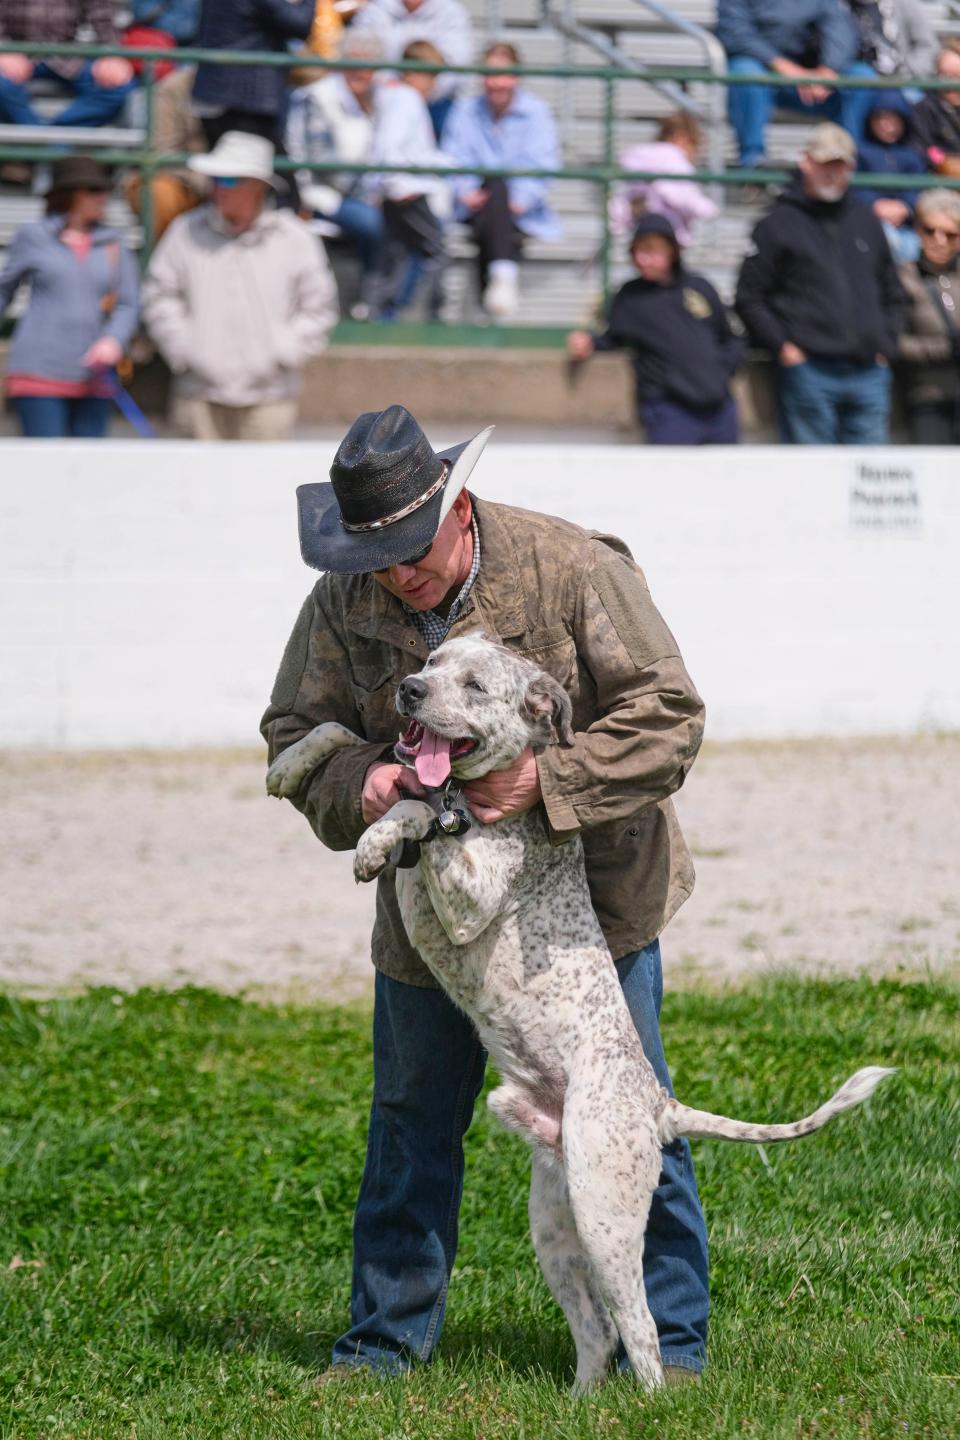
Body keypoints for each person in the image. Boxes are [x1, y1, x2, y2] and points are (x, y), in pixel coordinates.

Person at [261, 402, 710, 1383]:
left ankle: (670, 1351)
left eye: (409, 552)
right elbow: (294, 730)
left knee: (633, 1125)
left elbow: (668, 717)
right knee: (411, 1127)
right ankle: (383, 1348)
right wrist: (359, 784)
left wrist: (544, 784)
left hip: (592, 912)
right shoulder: (345, 597)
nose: (392, 576)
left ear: (458, 506)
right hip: (437, 926)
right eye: (372, 557)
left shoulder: (574, 567)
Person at [141, 131, 338, 442]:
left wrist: (284, 351)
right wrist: (186, 349)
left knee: (264, 490)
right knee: (193, 489)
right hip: (198, 396)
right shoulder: (185, 231)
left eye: (230, 180)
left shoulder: (295, 238)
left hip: (270, 398)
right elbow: (159, 296)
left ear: (258, 184)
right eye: (215, 179)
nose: (219, 188)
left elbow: (319, 307)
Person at [736, 122, 904, 444]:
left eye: (839, 165)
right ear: (806, 162)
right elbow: (749, 296)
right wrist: (785, 348)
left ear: (851, 169)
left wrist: (886, 344)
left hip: (869, 369)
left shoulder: (866, 220)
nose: (832, 172)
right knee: (812, 479)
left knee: (870, 481)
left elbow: (891, 290)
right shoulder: (777, 223)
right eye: (825, 163)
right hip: (810, 370)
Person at [567, 215, 742, 445]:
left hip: (720, 410)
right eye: (639, 251)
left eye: (653, 250)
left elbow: (730, 338)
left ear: (672, 251)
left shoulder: (699, 287)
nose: (644, 259)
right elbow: (613, 338)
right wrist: (588, 342)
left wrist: (722, 373)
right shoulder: (630, 297)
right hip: (669, 411)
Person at [0, 156, 138, 438]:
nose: (102, 198)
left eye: (104, 191)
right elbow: (4, 289)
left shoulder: (114, 243)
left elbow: (128, 303)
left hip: (94, 377)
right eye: (93, 190)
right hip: (38, 371)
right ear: (70, 193)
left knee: (87, 471)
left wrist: (113, 340)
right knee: (45, 468)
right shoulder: (33, 236)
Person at [443, 40, 561, 321]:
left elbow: (543, 164)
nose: (496, 83)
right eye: (490, 75)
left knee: (498, 194)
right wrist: (466, 192)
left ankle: (491, 300)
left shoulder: (537, 112)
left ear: (517, 76)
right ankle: (502, 278)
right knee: (495, 194)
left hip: (520, 208)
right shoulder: (465, 111)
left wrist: (520, 199)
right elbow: (453, 158)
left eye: (503, 75)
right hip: (474, 204)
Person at [286, 31, 384, 319]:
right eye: (354, 63)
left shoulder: (379, 99)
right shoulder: (318, 97)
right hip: (319, 195)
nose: (361, 72)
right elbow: (322, 164)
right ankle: (370, 299)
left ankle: (379, 302)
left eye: (368, 65)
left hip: (361, 194)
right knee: (372, 222)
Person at [716, 0, 877, 170]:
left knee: (861, 76)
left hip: (812, 81)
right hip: (765, 75)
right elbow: (736, 34)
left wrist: (828, 70)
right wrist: (785, 67)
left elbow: (840, 27)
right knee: (745, 72)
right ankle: (753, 165)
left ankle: (846, 162)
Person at [191, 0, 315, 204]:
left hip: (224, 96)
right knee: (282, 194)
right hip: (243, 102)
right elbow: (300, 23)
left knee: (242, 192)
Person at [366, 39, 451, 320]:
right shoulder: (406, 99)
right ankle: (431, 316)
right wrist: (398, 186)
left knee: (397, 256)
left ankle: (386, 315)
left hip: (400, 190)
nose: (433, 85)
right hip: (407, 192)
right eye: (431, 76)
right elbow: (389, 146)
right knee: (435, 251)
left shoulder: (397, 97)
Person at [0, 0, 136, 130]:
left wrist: (111, 53)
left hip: (66, 56)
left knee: (117, 86)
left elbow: (101, 14)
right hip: (17, 53)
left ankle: (43, 141)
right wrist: (4, 49)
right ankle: (45, 142)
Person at [351, 0, 474, 135]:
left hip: (437, 105)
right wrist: (396, 90)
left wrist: (421, 91)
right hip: (384, 100)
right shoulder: (374, 10)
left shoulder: (451, 12)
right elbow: (361, 56)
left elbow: (455, 67)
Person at [896, 188, 960, 443]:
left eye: (950, 234)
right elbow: (894, 341)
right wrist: (942, 348)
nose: (939, 240)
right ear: (918, 230)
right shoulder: (902, 277)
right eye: (930, 230)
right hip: (928, 395)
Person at [122, 65, 207, 243]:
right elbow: (162, 153)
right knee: (159, 193)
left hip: (233, 178)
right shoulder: (174, 87)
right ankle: (164, 265)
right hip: (186, 180)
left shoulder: (253, 84)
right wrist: (208, 181)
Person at [610, 111, 718, 248]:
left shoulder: (638, 159)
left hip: (635, 234)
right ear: (683, 138)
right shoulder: (677, 162)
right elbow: (685, 199)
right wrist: (707, 208)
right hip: (670, 235)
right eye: (694, 145)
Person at [856, 90, 926, 263]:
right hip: (871, 221)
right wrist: (874, 205)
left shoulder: (912, 156)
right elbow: (855, 187)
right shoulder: (861, 153)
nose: (888, 126)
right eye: (882, 119)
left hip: (905, 223)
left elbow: (917, 187)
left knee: (913, 246)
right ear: (871, 121)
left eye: (894, 120)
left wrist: (906, 207)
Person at [845, 0, 937, 82]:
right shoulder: (840, 6)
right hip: (857, 77)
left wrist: (906, 72)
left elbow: (927, 46)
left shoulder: (905, 4)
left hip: (901, 81)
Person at [911, 41, 960, 175]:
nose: (951, 84)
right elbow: (923, 148)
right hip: (941, 180)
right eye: (945, 76)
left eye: (956, 76)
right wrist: (944, 162)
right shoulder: (925, 108)